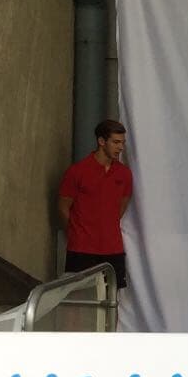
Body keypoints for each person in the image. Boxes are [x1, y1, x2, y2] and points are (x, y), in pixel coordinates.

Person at [57, 119, 133, 288]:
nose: (120, 147)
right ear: (101, 141)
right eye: (116, 142)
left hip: (113, 249)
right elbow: (63, 207)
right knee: (78, 297)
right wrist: (76, 233)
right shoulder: (77, 171)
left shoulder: (124, 174)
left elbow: (121, 206)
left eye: (122, 143)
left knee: (111, 298)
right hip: (81, 249)